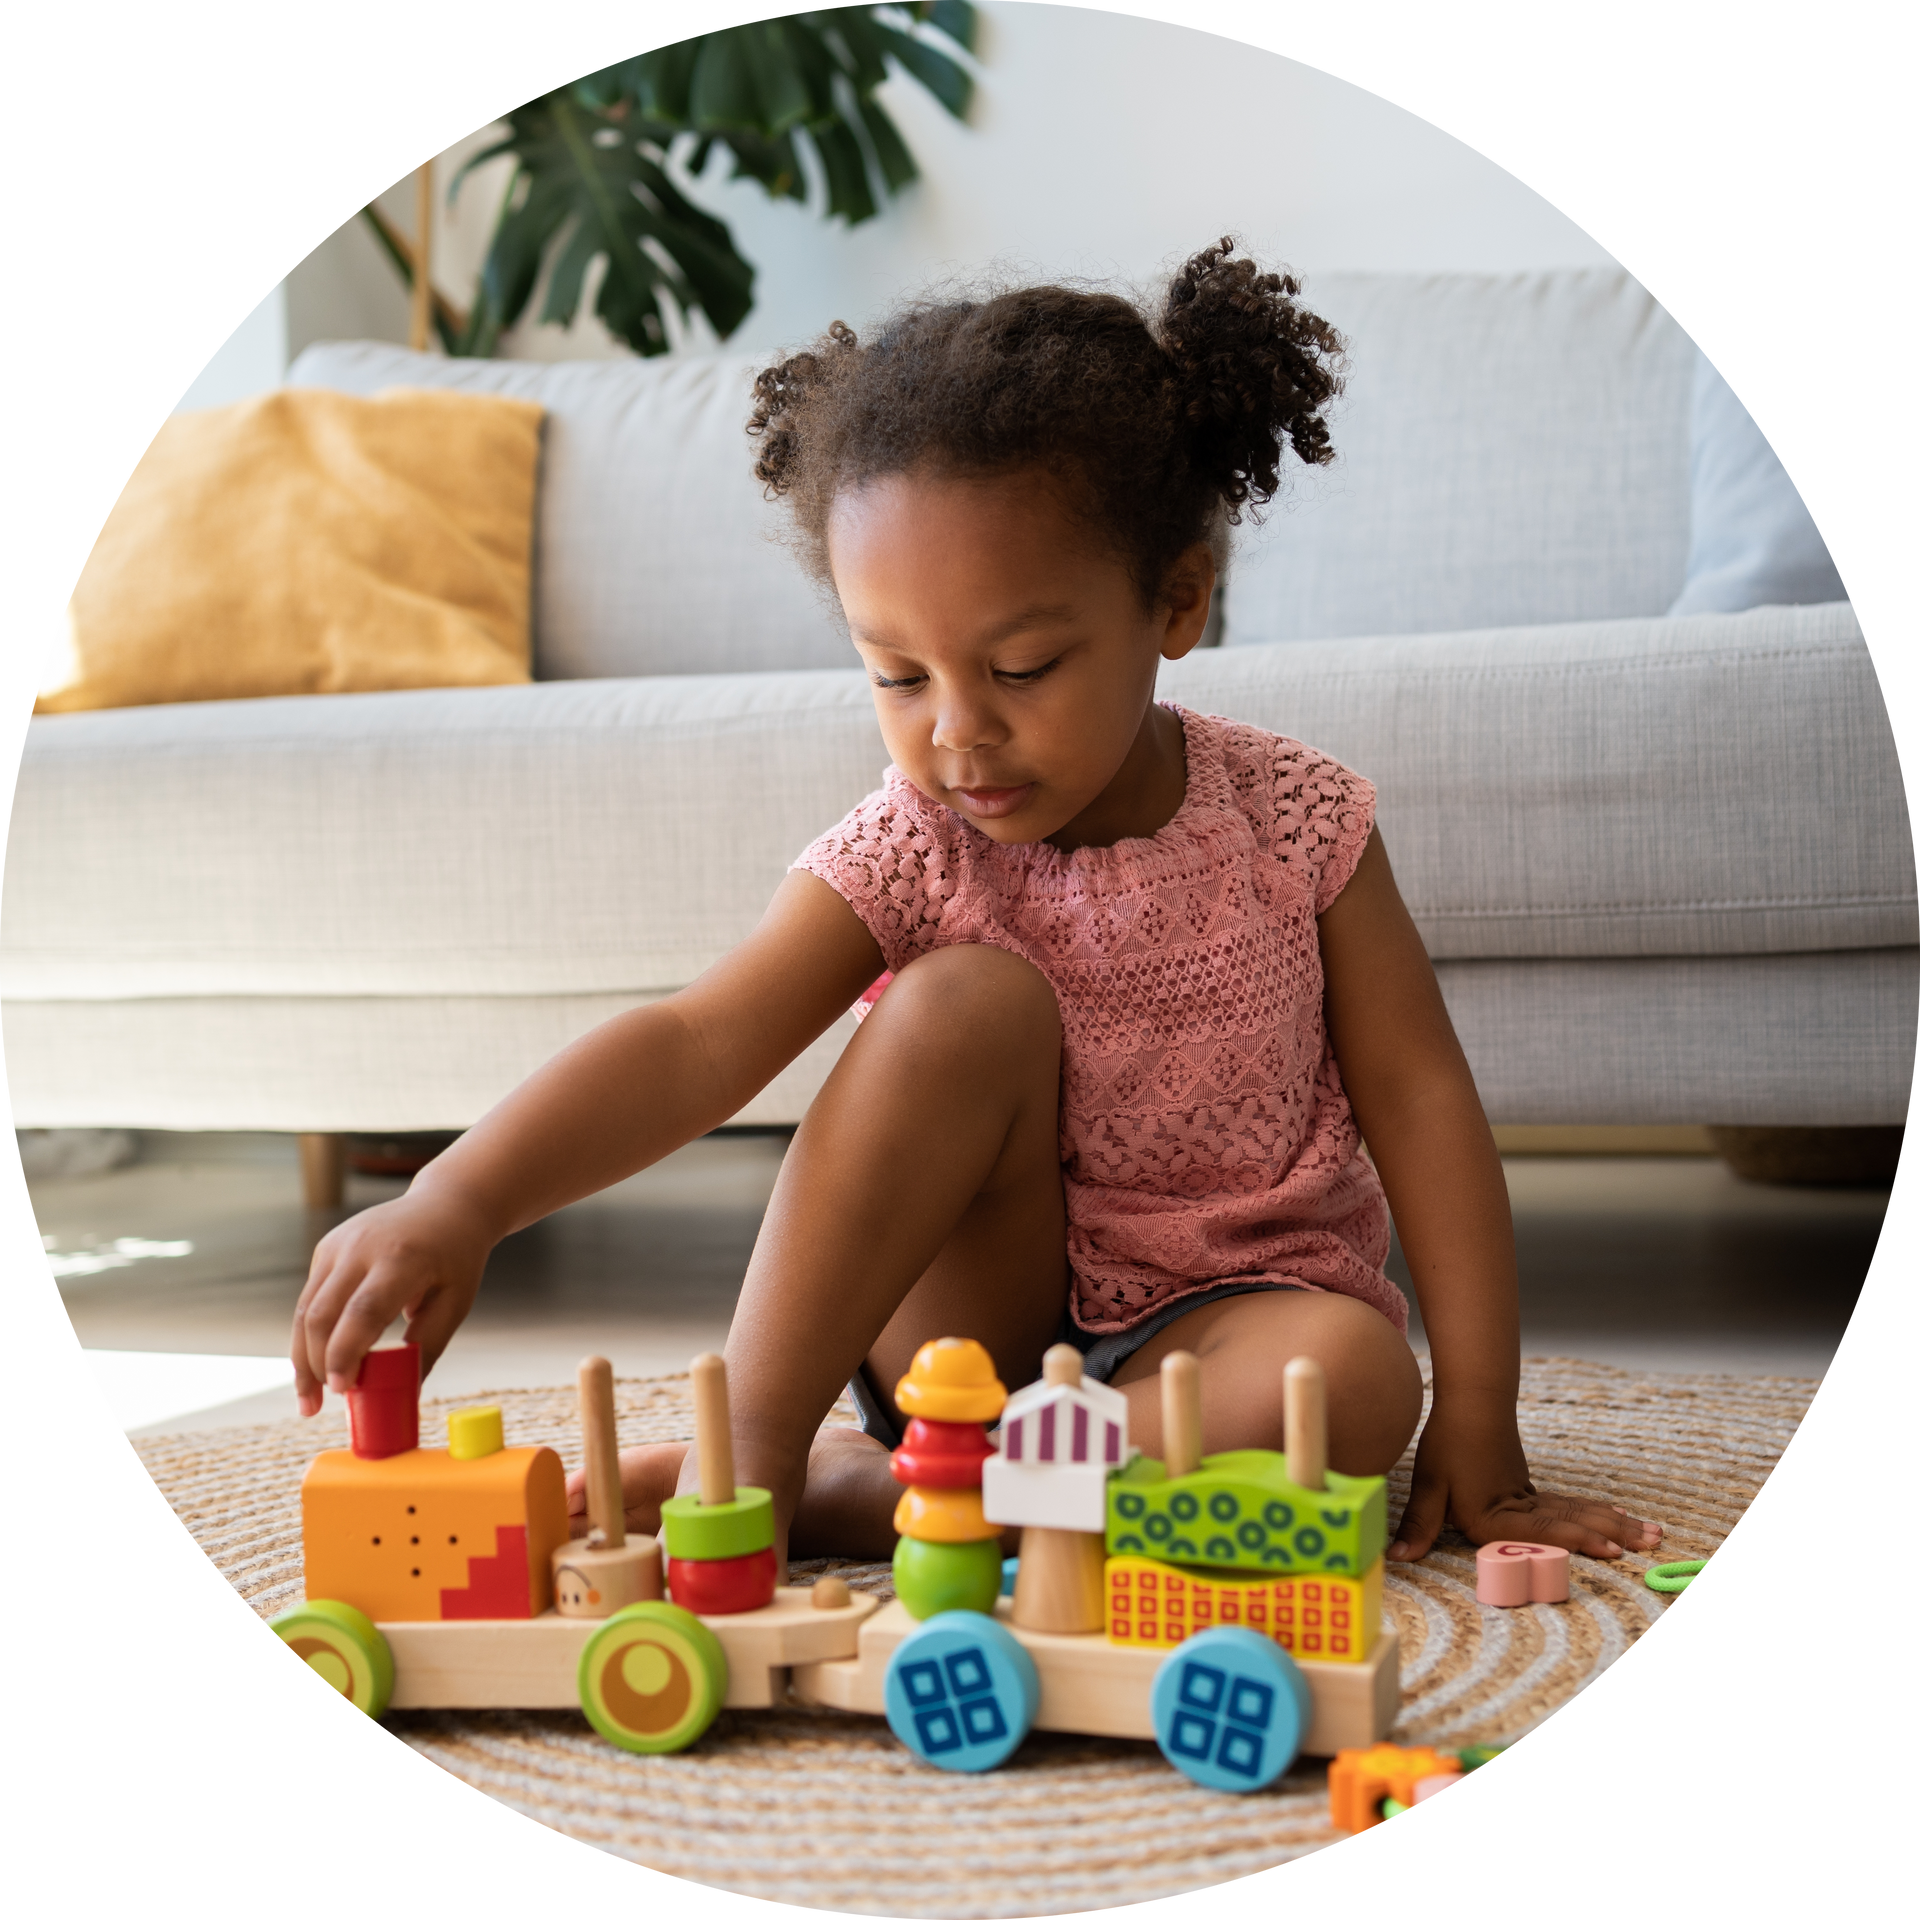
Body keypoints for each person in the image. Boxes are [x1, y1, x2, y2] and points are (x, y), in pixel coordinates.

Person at [290, 239, 1659, 1571]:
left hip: (1221, 1334)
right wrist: (461, 1198)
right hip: (970, 1347)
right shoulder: (917, 845)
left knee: (1356, 1388)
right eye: (898, 675)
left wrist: (1480, 1418)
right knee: (963, 998)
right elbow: (703, 1039)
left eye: (1021, 666)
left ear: (1177, 601)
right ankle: (755, 1465)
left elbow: (1422, 1104)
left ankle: (891, 1500)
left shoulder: (1299, 823)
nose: (958, 735)